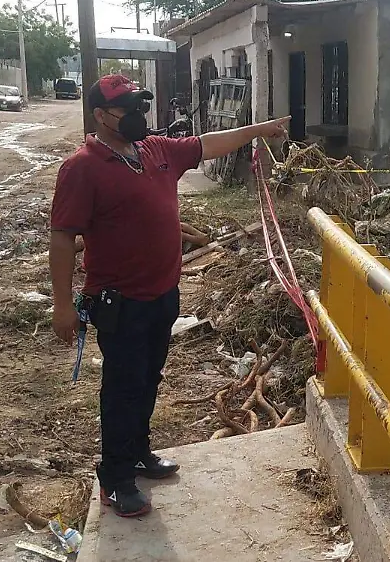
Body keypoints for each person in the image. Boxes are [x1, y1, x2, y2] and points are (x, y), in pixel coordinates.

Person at [49, 74, 288, 517]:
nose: (139, 116)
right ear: (101, 116)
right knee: (122, 388)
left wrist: (259, 129)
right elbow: (63, 237)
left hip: (163, 294)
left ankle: (138, 452)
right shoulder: (82, 167)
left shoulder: (155, 150)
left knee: (149, 378)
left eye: (141, 106)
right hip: (119, 300)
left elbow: (208, 143)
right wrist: (63, 305)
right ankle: (117, 478)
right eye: (127, 110)